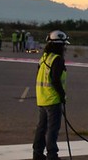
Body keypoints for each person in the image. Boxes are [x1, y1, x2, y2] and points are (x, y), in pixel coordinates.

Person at [33, 30, 69, 160]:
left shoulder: (43, 58)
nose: (65, 47)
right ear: (59, 45)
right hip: (52, 100)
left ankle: (37, 154)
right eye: (64, 45)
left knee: (41, 128)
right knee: (52, 130)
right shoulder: (57, 59)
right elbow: (55, 80)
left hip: (42, 99)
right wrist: (62, 95)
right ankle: (52, 156)